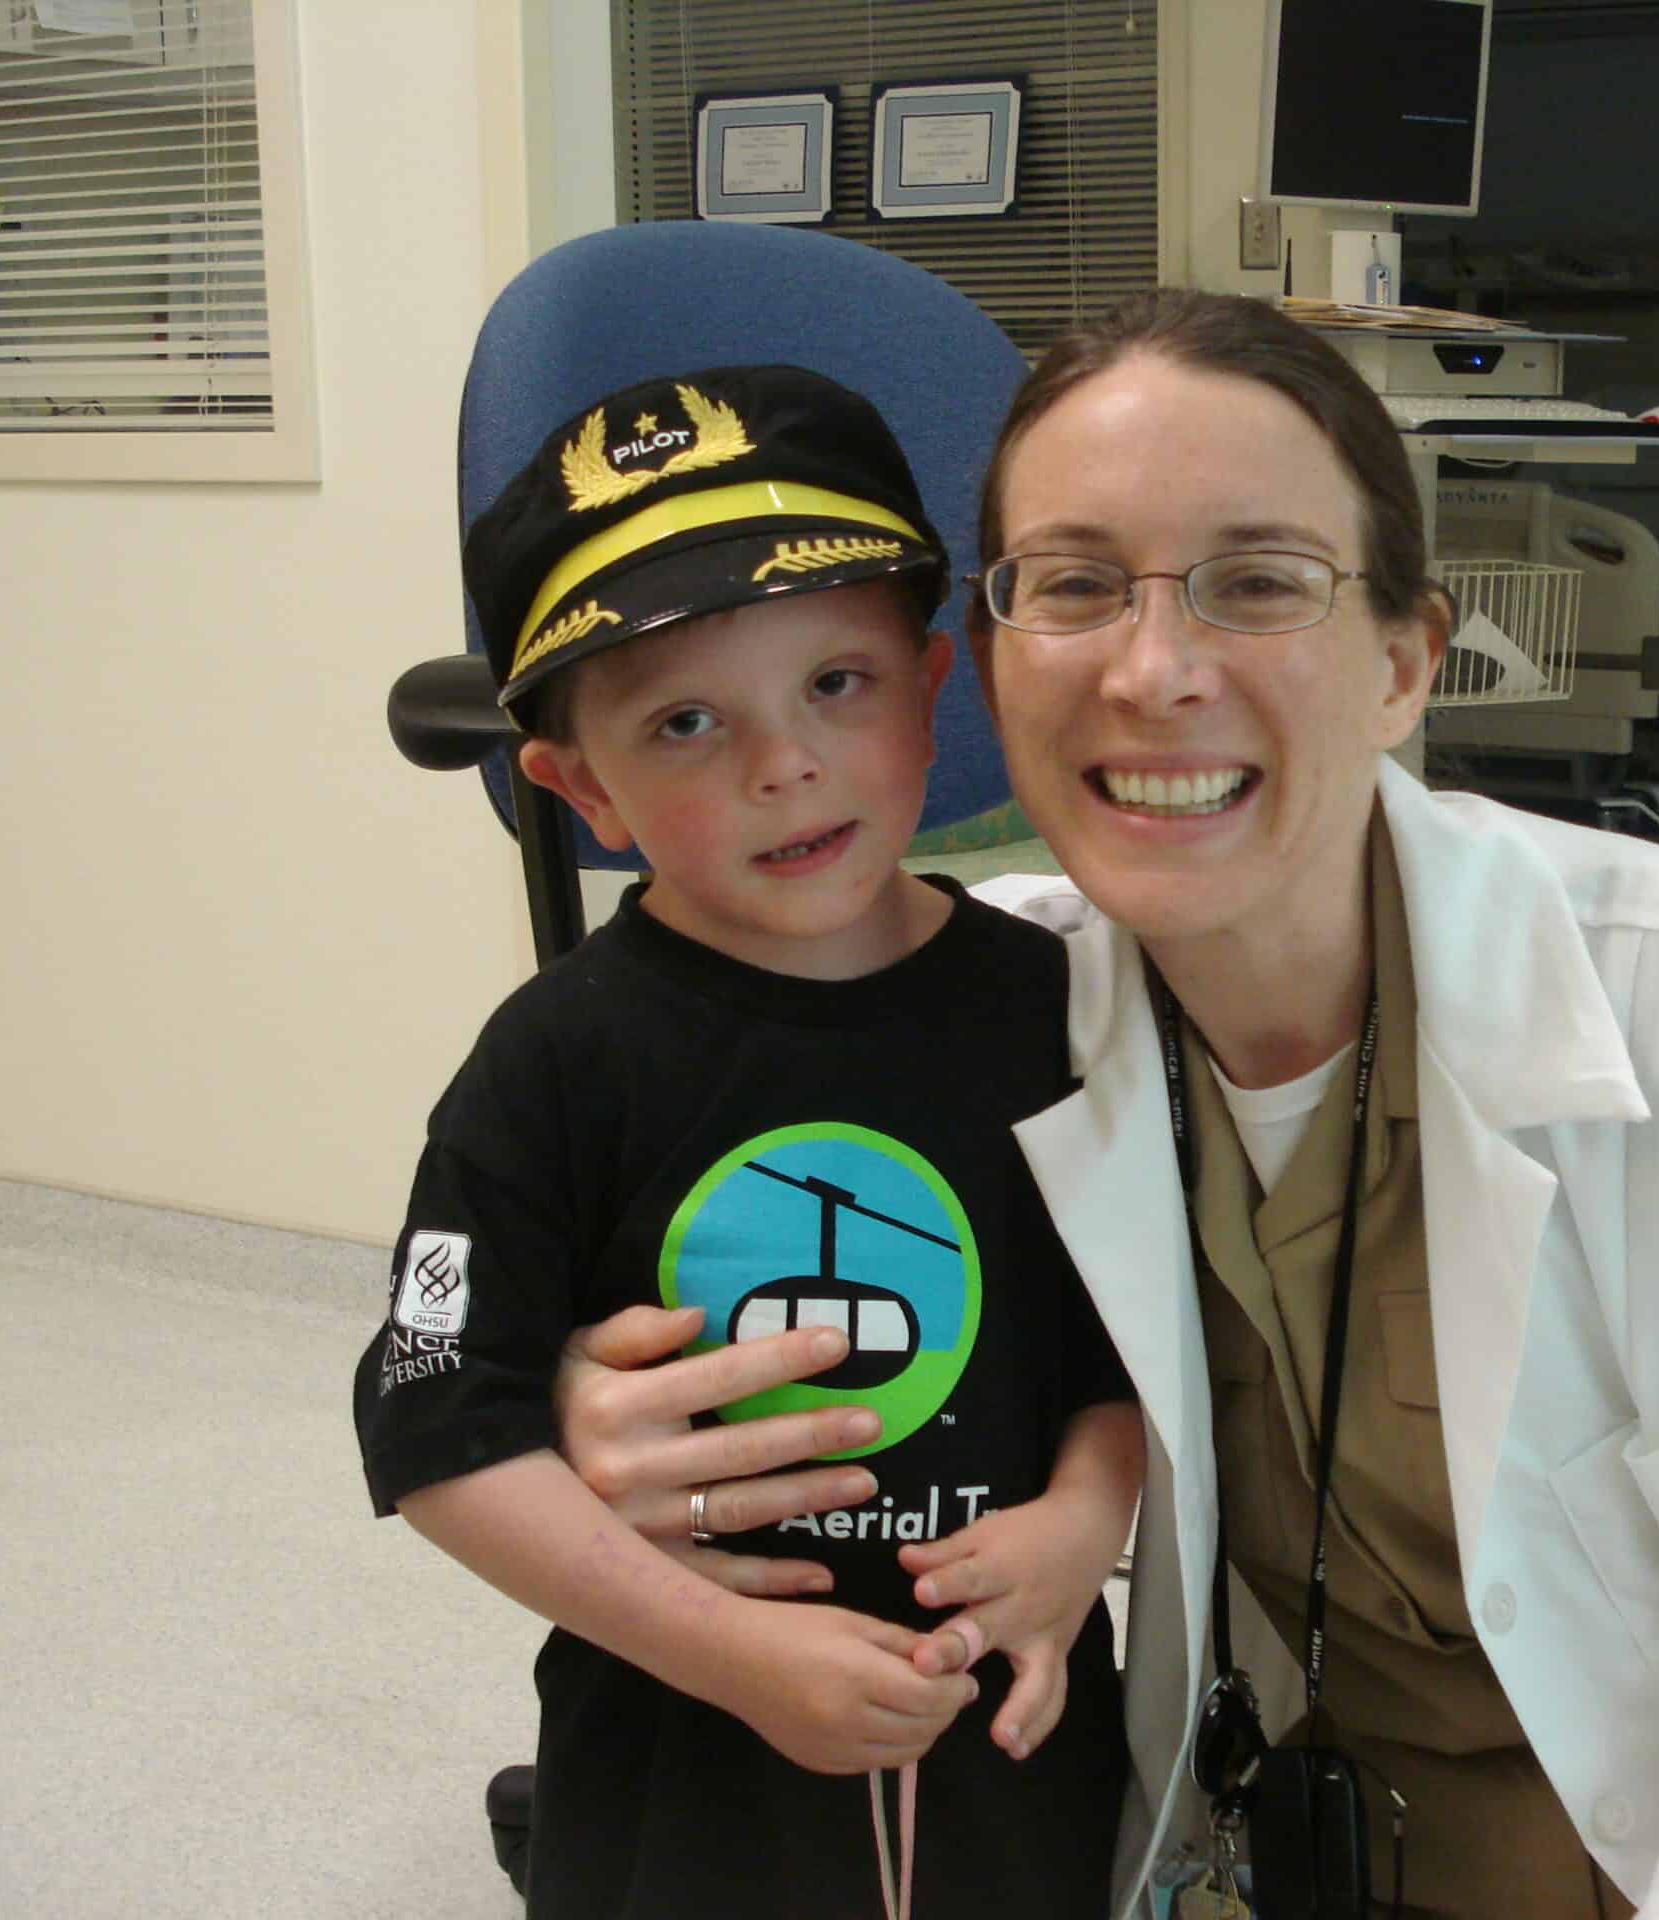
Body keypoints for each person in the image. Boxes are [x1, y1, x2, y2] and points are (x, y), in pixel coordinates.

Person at [547, 292, 1659, 1920]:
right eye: (1073, 586)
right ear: (990, 659)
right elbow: (607, 1284)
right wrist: (595, 1421)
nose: (1154, 669)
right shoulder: (977, 1025)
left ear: (1406, 662)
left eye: (1258, 582)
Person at [353, 362, 1142, 1920]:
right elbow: (437, 1421)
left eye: (835, 685)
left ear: (932, 691)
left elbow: (1131, 1349)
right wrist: (723, 1651)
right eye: (687, 721)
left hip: (1012, 1722)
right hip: (677, 1740)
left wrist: (1084, 1523)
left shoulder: (1068, 1011)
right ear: (581, 790)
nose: (782, 763)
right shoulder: (554, 1061)